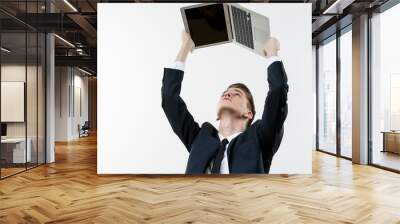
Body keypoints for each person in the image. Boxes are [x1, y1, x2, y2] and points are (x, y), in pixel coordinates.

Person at [161, 31, 288, 174]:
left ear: (249, 113)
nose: (228, 93)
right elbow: (169, 99)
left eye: (237, 94)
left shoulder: (261, 137)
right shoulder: (200, 137)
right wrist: (185, 46)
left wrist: (272, 51)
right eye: (225, 93)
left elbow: (278, 91)